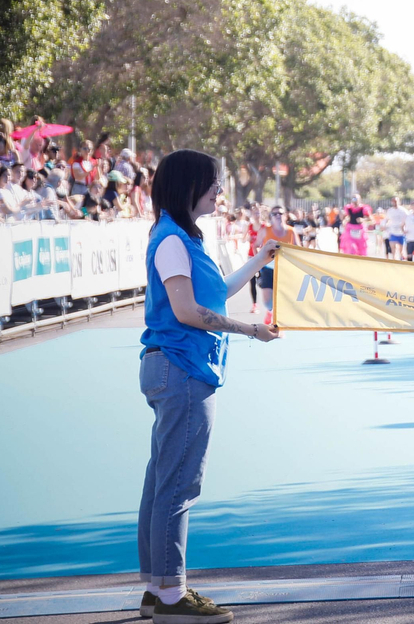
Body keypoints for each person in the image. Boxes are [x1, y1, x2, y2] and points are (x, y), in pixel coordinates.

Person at [138, 150, 281, 622]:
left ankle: (158, 588)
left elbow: (215, 291)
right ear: (188, 187)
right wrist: (248, 329)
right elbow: (185, 312)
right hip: (181, 369)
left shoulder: (183, 240)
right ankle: (172, 597)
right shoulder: (172, 242)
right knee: (178, 483)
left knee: (163, 479)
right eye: (213, 183)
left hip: (177, 368)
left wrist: (260, 258)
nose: (220, 191)